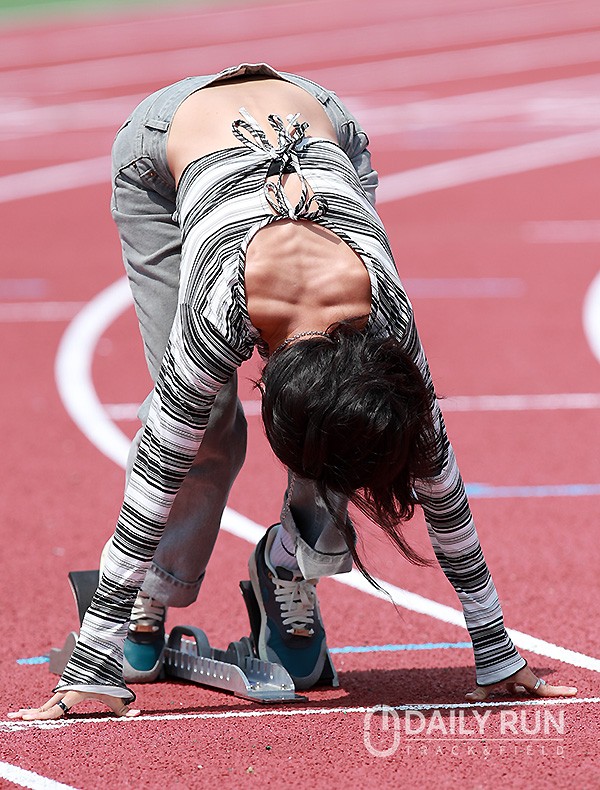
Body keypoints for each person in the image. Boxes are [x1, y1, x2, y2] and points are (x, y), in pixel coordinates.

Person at [10, 63, 576, 722]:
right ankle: (149, 595)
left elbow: (438, 476)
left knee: (358, 424)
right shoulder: (221, 309)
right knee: (203, 427)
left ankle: (288, 564)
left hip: (319, 127)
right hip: (163, 149)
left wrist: (497, 651)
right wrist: (92, 662)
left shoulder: (385, 318)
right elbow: (155, 475)